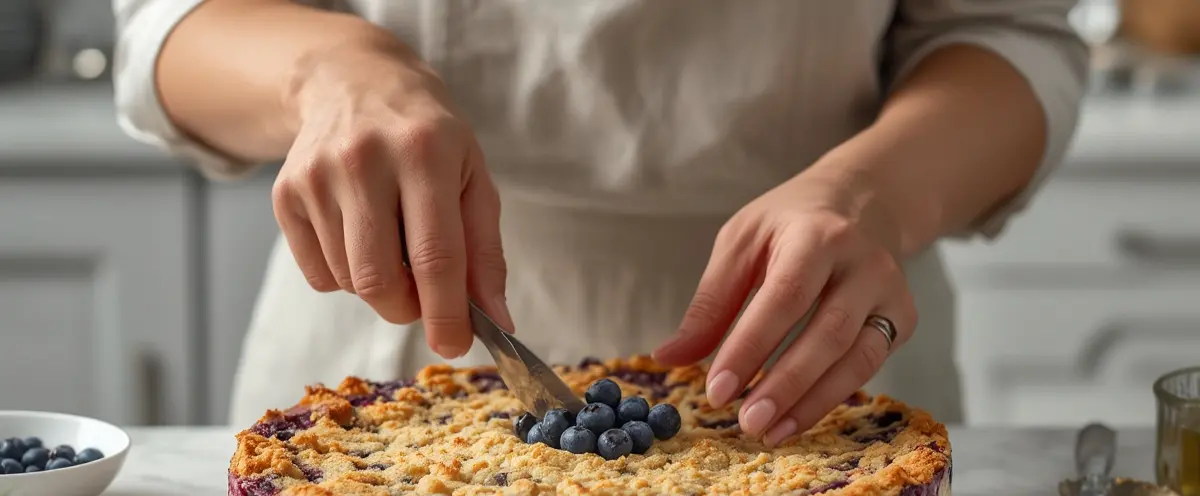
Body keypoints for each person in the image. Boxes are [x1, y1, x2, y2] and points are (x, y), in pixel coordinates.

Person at [114, 0, 1086, 442]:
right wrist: (329, 71)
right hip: (391, 329)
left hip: (809, 360)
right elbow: (162, 26)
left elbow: (1007, 36)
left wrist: (870, 192)